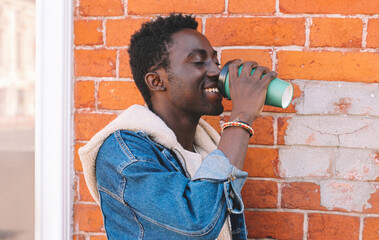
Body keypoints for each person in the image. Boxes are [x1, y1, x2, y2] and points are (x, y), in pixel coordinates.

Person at [78, 14, 277, 240]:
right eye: (199, 62)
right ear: (156, 81)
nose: (215, 72)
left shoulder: (206, 150)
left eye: (216, 61)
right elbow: (196, 224)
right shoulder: (125, 155)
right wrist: (241, 117)